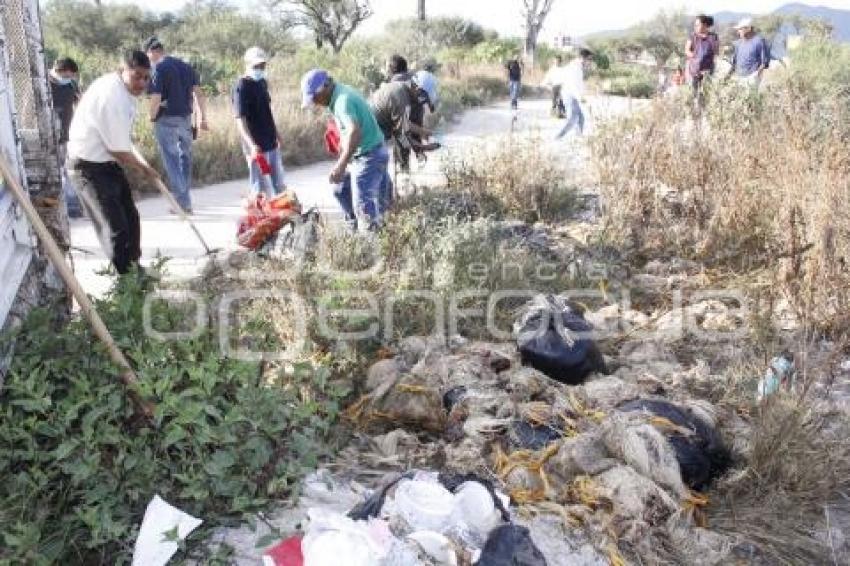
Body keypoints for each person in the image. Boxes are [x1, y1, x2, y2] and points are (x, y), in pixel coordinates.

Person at [66, 50, 161, 276]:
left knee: (131, 217)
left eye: (146, 77)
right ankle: (126, 282)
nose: (141, 83)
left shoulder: (122, 90)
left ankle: (134, 269)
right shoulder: (113, 97)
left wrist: (134, 156)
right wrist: (146, 169)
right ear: (122, 71)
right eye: (136, 76)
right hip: (87, 167)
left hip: (106, 164)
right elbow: (118, 150)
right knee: (115, 227)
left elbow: (121, 142)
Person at [301, 69, 389, 231]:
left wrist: (341, 165)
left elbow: (354, 131)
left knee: (364, 208)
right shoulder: (340, 94)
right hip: (371, 153)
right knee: (341, 189)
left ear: (324, 87)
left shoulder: (342, 101)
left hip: (369, 157)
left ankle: (370, 248)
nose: (315, 102)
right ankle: (356, 229)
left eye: (315, 97)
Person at [144, 36, 207, 214]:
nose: (148, 59)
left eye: (148, 55)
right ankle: (183, 198)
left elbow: (155, 97)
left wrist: (151, 116)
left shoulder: (159, 69)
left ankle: (184, 203)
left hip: (166, 119)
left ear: (152, 51)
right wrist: (203, 118)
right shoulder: (186, 67)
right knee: (184, 158)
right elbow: (199, 94)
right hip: (185, 118)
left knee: (171, 160)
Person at [369, 73, 439, 209]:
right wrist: (421, 148)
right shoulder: (400, 96)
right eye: (424, 98)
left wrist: (422, 133)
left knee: (382, 182)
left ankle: (387, 210)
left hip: (375, 137)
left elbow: (403, 125)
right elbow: (402, 133)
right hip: (369, 139)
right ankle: (383, 214)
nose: (422, 102)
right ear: (417, 89)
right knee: (377, 182)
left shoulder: (403, 92)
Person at [232, 46, 287, 196]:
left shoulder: (262, 82)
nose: (260, 69)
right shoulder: (241, 86)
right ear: (248, 65)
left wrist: (277, 133)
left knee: (279, 185)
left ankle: (283, 217)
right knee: (262, 189)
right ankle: (261, 217)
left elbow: (267, 112)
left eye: (262, 65)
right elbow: (240, 120)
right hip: (256, 145)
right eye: (256, 66)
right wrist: (252, 145)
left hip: (270, 140)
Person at [49, 57, 82, 218]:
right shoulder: (44, 84)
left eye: (71, 76)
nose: (69, 79)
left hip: (66, 134)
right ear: (59, 71)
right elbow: (29, 109)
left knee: (68, 170)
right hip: (48, 136)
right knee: (55, 173)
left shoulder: (71, 84)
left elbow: (79, 104)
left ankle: (73, 206)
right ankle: (58, 208)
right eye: (67, 75)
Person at [553, 49, 593, 140]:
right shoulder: (575, 68)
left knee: (581, 117)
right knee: (573, 118)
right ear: (583, 58)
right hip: (569, 94)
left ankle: (579, 136)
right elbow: (573, 85)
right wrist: (580, 98)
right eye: (589, 59)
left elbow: (579, 84)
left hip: (572, 94)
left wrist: (582, 95)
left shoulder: (577, 66)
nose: (590, 61)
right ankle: (558, 136)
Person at [685, 15, 719, 110]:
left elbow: (716, 52)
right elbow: (687, 51)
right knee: (693, 92)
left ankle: (703, 112)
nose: (696, 27)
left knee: (705, 93)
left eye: (697, 25)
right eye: (695, 25)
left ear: (704, 25)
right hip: (693, 69)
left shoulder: (713, 36)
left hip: (707, 69)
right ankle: (693, 113)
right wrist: (696, 57)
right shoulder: (692, 36)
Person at [727, 18, 770, 89]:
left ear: (748, 29)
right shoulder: (738, 43)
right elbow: (734, 62)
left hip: (752, 78)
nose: (738, 32)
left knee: (750, 99)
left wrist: (756, 76)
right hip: (739, 78)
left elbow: (764, 62)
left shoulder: (759, 41)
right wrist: (727, 77)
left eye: (740, 29)